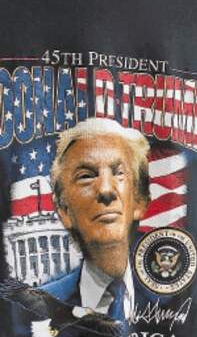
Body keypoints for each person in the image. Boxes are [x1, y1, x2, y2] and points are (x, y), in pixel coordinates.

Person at [43, 118, 151, 323]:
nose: (106, 190)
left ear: (139, 200)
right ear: (64, 211)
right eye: (86, 176)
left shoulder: (184, 301)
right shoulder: (35, 310)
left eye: (119, 173)